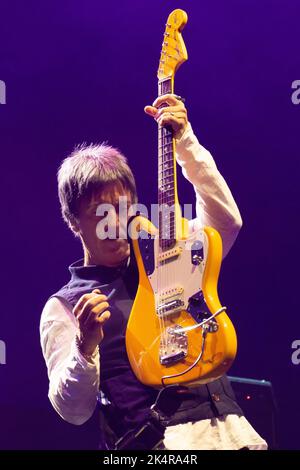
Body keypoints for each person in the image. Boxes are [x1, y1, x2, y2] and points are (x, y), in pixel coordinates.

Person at [40, 94, 267, 450]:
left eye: (123, 207)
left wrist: (185, 141)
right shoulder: (64, 306)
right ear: (73, 222)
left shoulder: (166, 259)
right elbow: (73, 409)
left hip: (233, 436)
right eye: (100, 212)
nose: (115, 223)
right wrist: (84, 346)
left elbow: (225, 224)